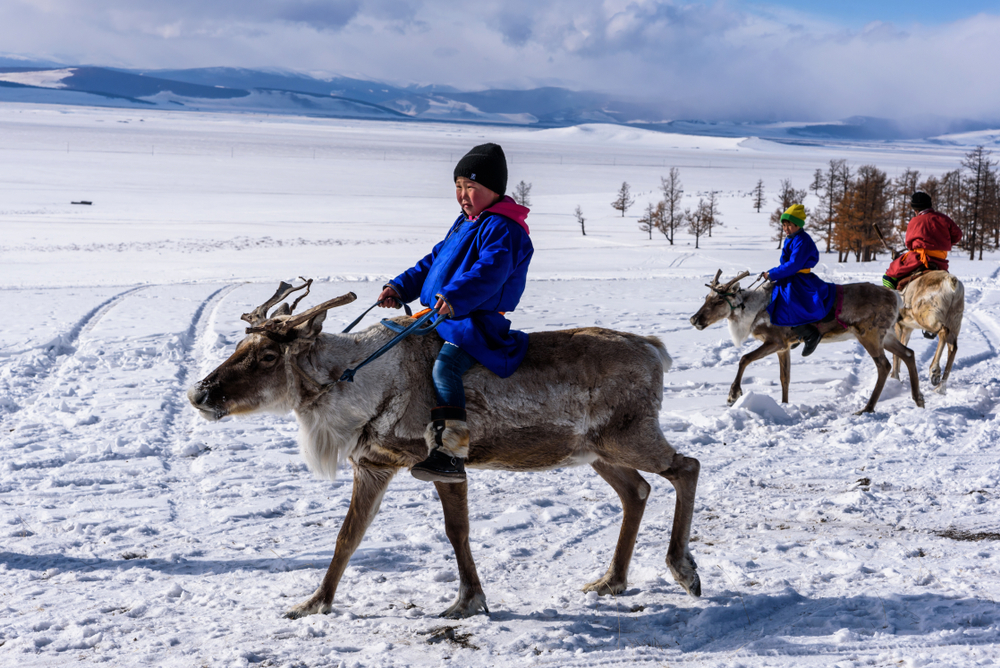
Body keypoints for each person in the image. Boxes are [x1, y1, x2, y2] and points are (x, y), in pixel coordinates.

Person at [377, 143, 533, 483]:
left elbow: (489, 273)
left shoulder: (503, 229)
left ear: (494, 189)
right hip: (445, 313)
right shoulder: (466, 222)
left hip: (474, 321)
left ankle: (452, 453)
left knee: (445, 370)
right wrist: (401, 287)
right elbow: (435, 260)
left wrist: (455, 297)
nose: (463, 195)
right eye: (459, 187)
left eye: (471, 187)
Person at [765, 204, 835, 357]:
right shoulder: (791, 239)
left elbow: (794, 264)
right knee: (777, 297)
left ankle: (810, 334)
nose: (785, 228)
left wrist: (772, 274)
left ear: (798, 225)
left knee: (789, 301)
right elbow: (786, 264)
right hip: (791, 276)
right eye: (784, 225)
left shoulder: (802, 240)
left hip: (800, 278)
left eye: (789, 225)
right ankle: (796, 333)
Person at [882, 191, 962, 290]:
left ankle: (893, 298)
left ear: (915, 209)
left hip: (920, 259)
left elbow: (909, 244)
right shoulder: (944, 218)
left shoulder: (914, 221)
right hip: (940, 261)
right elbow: (958, 235)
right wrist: (943, 244)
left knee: (888, 276)